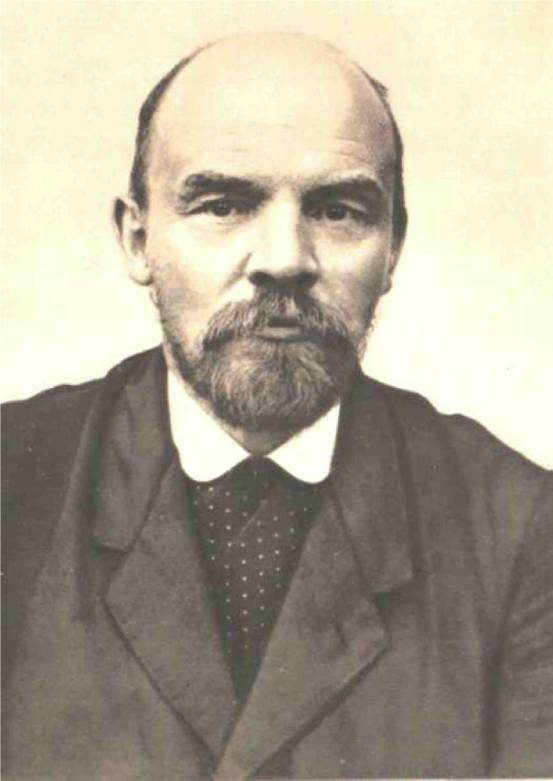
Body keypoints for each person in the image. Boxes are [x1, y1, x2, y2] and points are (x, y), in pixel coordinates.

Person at [2, 32, 552, 780]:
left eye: (337, 210)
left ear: (392, 247)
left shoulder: (521, 531)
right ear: (137, 239)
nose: (284, 258)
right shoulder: (13, 486)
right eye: (224, 205)